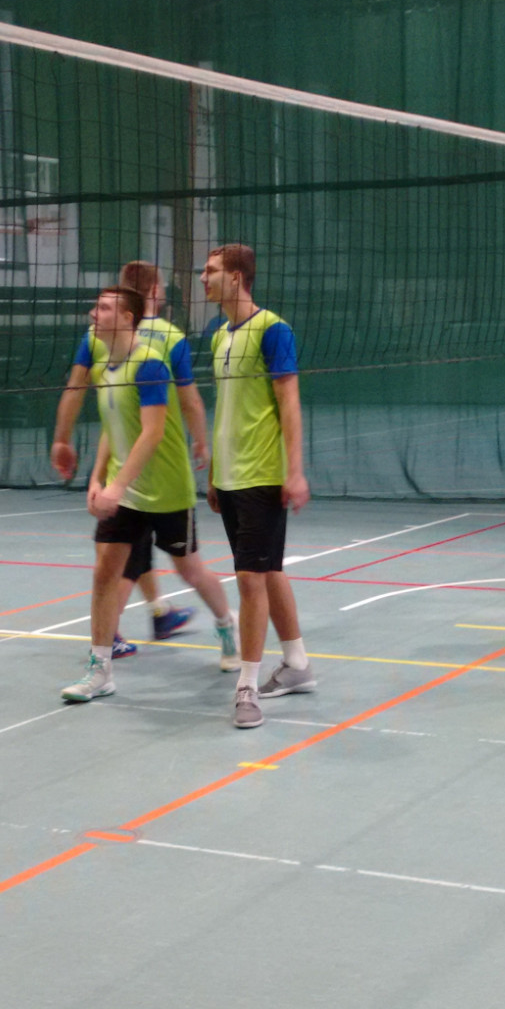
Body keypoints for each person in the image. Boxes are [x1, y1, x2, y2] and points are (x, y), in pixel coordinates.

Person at [58, 287, 240, 703]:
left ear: (127, 318)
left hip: (166, 489)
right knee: (105, 572)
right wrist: (97, 478)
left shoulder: (150, 365)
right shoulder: (103, 365)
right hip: (125, 492)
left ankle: (226, 623)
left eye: (104, 308)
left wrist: (117, 484)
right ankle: (100, 670)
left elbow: (152, 432)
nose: (93, 313)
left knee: (190, 570)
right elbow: (112, 428)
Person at [203, 243, 314, 729]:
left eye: (210, 270)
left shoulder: (274, 330)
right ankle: (297, 665)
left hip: (262, 474)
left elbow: (289, 403)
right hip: (229, 475)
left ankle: (246, 687)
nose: (203, 278)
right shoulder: (217, 337)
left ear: (236, 277)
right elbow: (225, 408)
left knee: (249, 578)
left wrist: (295, 470)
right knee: (267, 571)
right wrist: (214, 472)